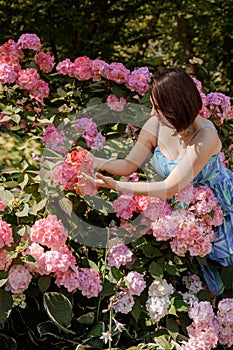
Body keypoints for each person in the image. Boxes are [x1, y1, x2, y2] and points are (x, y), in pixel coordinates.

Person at [86, 68, 233, 295]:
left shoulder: (205, 136)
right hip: (190, 210)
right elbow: (129, 165)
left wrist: (115, 186)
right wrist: (94, 160)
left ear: (177, 108)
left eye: (158, 108)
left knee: (226, 273)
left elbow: (169, 187)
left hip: (221, 208)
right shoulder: (155, 126)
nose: (153, 113)